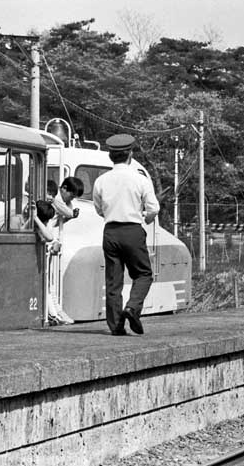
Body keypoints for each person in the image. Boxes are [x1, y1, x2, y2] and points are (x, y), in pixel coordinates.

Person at [92, 134, 159, 336]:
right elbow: (153, 208)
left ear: (111, 156)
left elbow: (98, 209)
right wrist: (145, 217)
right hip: (132, 230)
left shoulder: (101, 180)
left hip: (110, 231)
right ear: (130, 154)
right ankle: (132, 307)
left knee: (113, 280)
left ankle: (116, 326)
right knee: (143, 274)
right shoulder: (139, 179)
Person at [32, 200, 74, 326]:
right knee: (47, 287)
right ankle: (53, 314)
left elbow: (50, 237)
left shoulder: (41, 224)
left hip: (39, 263)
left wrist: (36, 219)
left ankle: (55, 313)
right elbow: (49, 238)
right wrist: (33, 218)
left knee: (49, 286)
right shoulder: (30, 222)